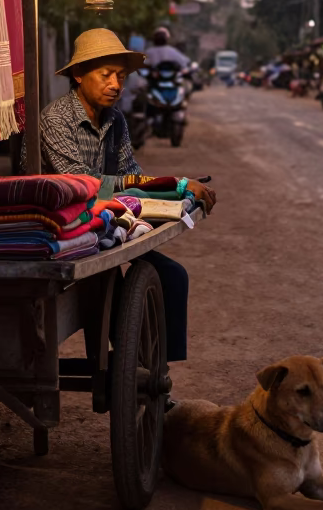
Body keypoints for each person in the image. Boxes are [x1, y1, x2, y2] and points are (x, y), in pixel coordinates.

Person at [31, 28, 216, 363]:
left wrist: (173, 191)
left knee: (172, 276)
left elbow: (130, 172)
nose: (115, 85)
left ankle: (155, 375)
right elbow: (82, 184)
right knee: (111, 283)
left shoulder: (115, 120)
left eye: (120, 76)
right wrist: (170, 184)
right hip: (55, 228)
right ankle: (126, 367)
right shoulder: (55, 119)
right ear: (78, 74)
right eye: (105, 75)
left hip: (99, 223)